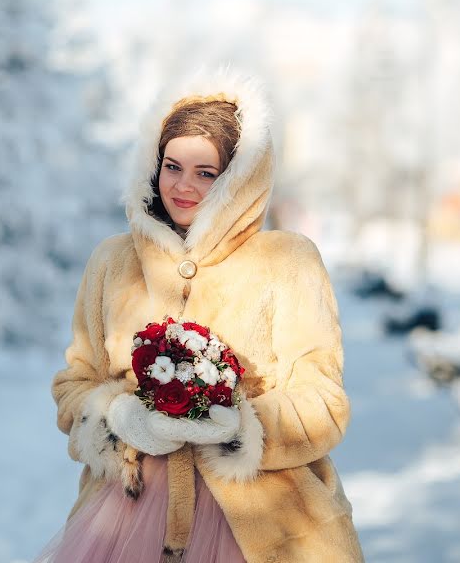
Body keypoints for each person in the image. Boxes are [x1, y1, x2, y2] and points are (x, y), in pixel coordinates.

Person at [32, 67, 364, 563]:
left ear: (237, 178)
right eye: (172, 166)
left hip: (262, 528)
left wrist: (237, 426)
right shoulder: (113, 260)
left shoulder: (287, 260)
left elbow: (323, 402)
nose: (183, 186)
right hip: (127, 517)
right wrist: (118, 418)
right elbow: (74, 385)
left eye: (205, 173)